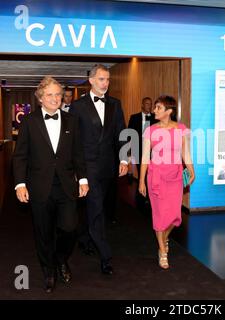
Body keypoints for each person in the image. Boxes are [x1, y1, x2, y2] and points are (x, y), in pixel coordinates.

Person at [12, 77, 89, 293]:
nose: (55, 98)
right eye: (50, 95)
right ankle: (48, 270)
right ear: (40, 99)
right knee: (43, 233)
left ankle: (61, 258)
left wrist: (83, 179)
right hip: (39, 187)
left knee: (70, 228)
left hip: (66, 186)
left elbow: (78, 153)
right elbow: (20, 156)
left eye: (58, 94)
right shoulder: (28, 121)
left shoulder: (72, 121)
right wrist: (20, 184)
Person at [69, 64, 128, 275]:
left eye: (108, 79)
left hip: (108, 166)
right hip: (88, 166)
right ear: (91, 80)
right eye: (102, 79)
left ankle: (84, 237)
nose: (106, 83)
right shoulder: (78, 106)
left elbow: (122, 134)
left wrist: (124, 159)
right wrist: (75, 169)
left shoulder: (115, 104)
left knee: (96, 206)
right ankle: (105, 256)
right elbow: (73, 140)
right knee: (97, 209)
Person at [138, 95, 195, 270]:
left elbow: (185, 153)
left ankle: (164, 237)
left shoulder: (182, 129)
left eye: (158, 108)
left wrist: (192, 170)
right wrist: (141, 181)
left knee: (175, 216)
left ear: (169, 111)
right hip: (156, 176)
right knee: (159, 215)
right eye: (155, 107)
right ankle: (162, 251)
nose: (154, 110)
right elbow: (145, 157)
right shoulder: (151, 130)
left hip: (175, 176)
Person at [128, 97, 158, 210]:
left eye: (150, 104)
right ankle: (142, 195)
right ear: (142, 104)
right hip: (139, 150)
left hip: (152, 151)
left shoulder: (155, 118)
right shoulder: (134, 117)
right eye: (146, 104)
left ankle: (149, 196)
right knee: (142, 172)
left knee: (151, 172)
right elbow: (129, 133)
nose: (148, 106)